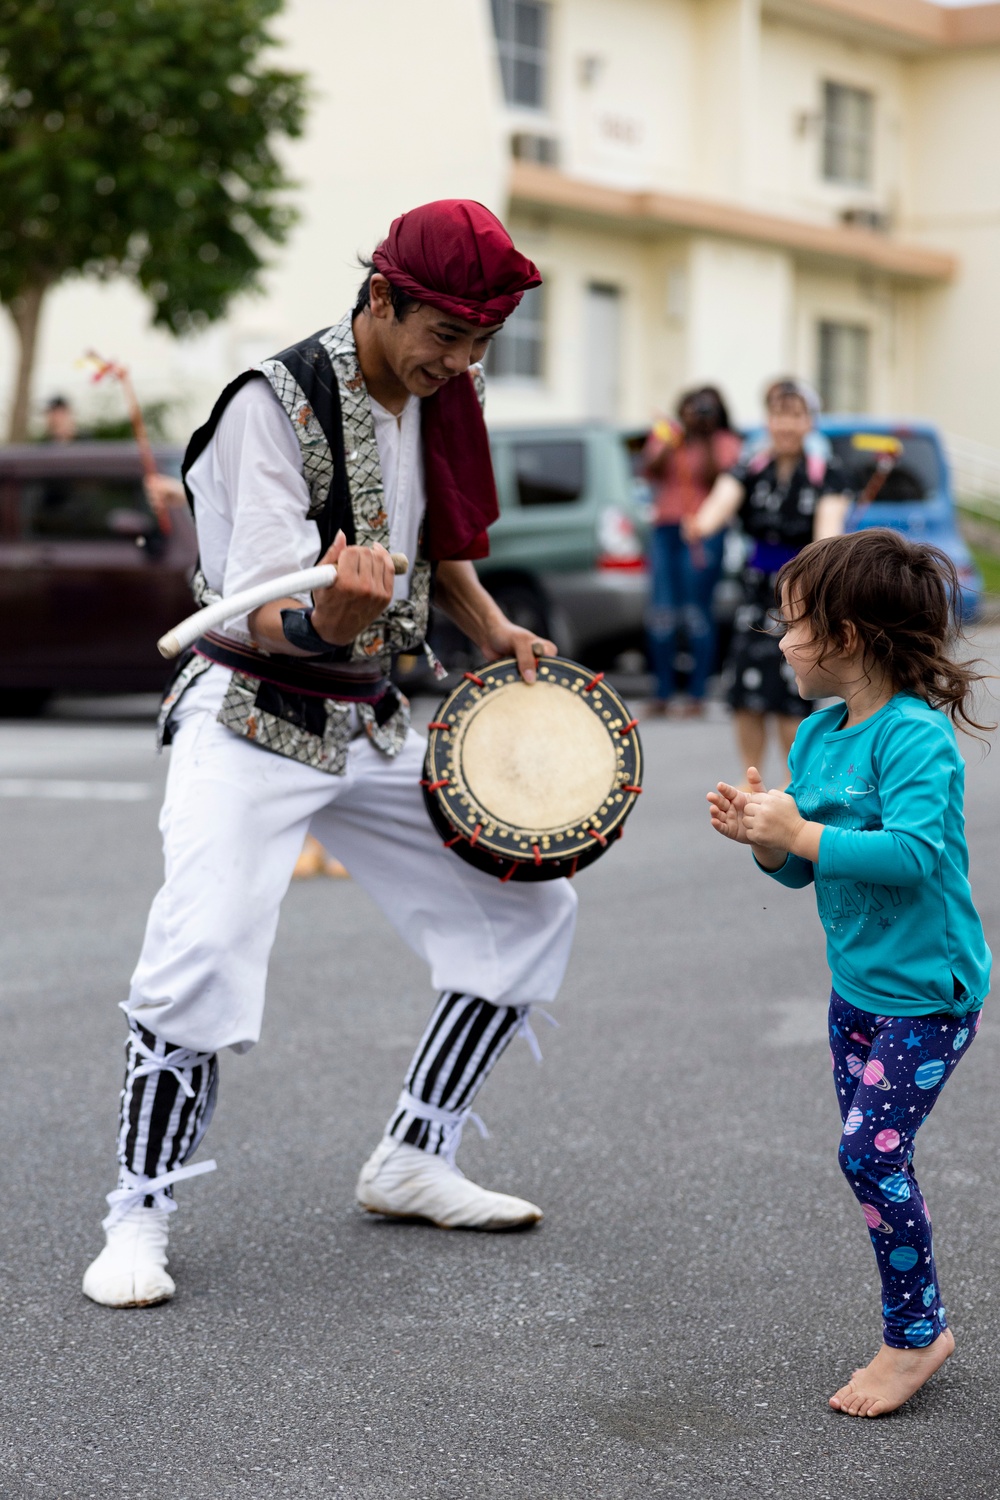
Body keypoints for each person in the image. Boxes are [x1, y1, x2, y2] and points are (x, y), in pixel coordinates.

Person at [82, 200, 579, 1309]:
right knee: (200, 947)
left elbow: (430, 537)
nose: (456, 364)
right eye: (440, 337)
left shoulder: (436, 395)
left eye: (476, 345)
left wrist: (484, 621)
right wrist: (331, 622)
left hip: (366, 713)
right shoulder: (273, 405)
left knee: (528, 904)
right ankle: (137, 1214)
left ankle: (413, 1155)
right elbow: (264, 609)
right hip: (253, 708)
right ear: (377, 298)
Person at [707, 528, 991, 1417]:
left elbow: (913, 854)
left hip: (928, 998)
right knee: (877, 1158)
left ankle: (916, 1335)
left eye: (792, 622)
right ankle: (917, 1323)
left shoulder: (914, 741)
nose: (779, 638)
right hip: (857, 991)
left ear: (847, 635)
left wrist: (799, 832)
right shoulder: (819, 734)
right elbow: (803, 869)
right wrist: (767, 841)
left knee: (869, 1154)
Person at [686, 377, 851, 784]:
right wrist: (702, 523)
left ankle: (795, 784)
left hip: (802, 596)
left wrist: (819, 567)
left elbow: (828, 531)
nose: (786, 425)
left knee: (791, 695)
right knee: (745, 691)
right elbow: (720, 503)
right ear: (768, 420)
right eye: (779, 415)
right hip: (756, 592)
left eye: (796, 416)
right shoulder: (749, 466)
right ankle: (751, 778)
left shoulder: (826, 473)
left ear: (810, 422)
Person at [641, 387, 741, 717]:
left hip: (703, 531)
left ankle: (697, 695)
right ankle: (663, 692)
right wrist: (672, 441)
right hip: (666, 529)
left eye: (705, 410)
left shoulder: (725, 441)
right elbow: (650, 471)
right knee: (662, 613)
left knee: (697, 613)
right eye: (692, 408)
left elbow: (720, 477)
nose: (697, 415)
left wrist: (708, 438)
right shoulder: (669, 435)